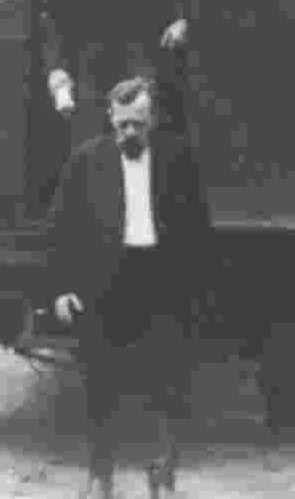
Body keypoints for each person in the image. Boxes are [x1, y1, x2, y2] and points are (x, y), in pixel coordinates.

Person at [48, 77, 210, 499]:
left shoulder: (178, 160)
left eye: (137, 124)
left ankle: (163, 475)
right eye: (121, 125)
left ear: (151, 118)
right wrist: (63, 288)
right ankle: (100, 475)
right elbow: (61, 229)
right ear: (110, 120)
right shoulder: (87, 161)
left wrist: (195, 290)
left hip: (162, 280)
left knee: (167, 381)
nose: (129, 134)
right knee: (102, 381)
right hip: (104, 284)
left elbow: (198, 229)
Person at [39, 0, 189, 149]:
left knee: (140, 117)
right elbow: (52, 24)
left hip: (136, 47)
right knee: (88, 132)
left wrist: (180, 21)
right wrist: (55, 68)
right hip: (89, 53)